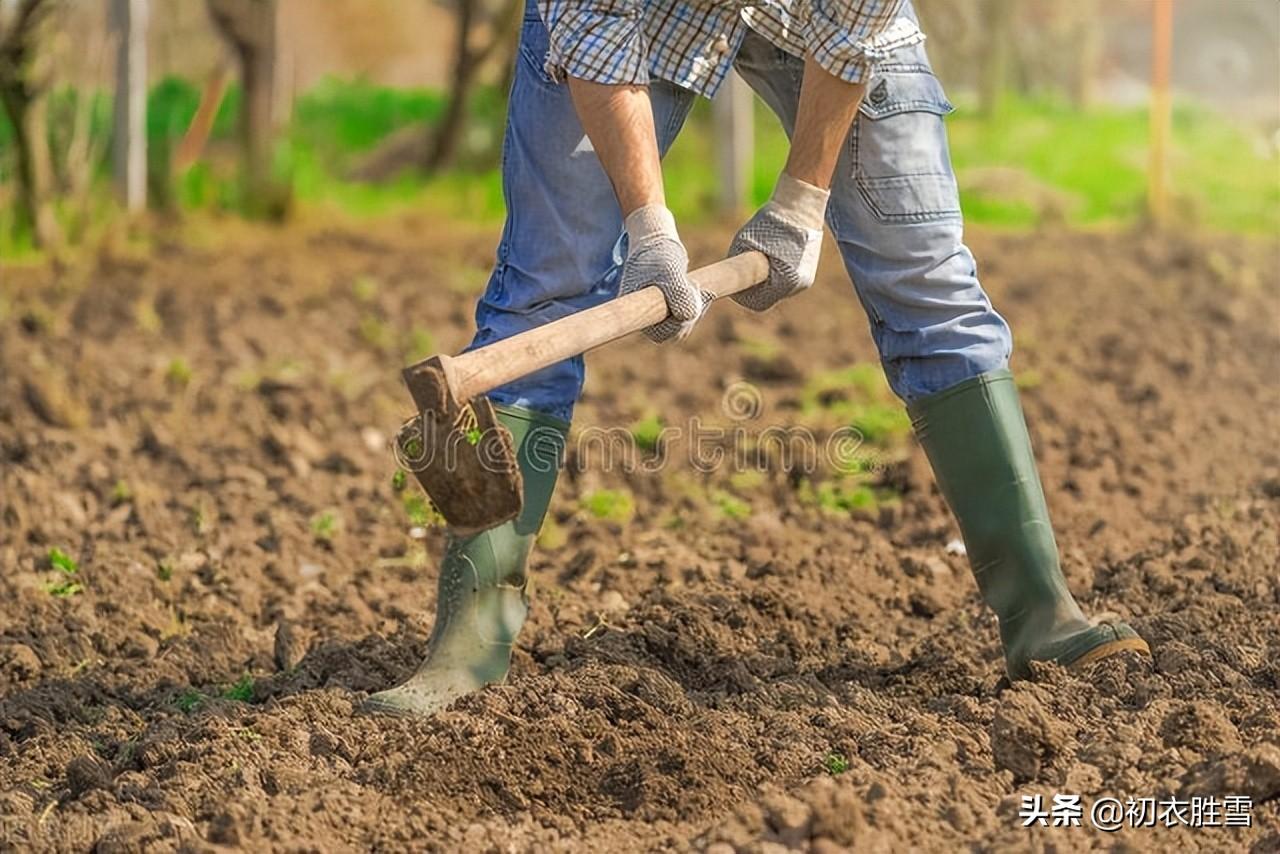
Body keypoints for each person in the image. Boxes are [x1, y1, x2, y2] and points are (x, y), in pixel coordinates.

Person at [363, 0, 1150, 716]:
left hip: (821, 18)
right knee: (547, 279)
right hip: (634, 17)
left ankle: (1042, 615)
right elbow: (595, 30)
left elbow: (854, 28)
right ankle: (469, 653)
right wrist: (650, 230)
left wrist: (801, 205)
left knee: (925, 275)